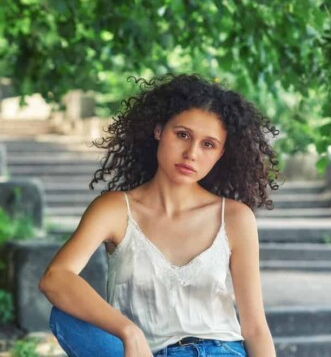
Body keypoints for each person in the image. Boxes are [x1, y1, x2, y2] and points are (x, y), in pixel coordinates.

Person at [39, 74, 279, 357]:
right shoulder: (115, 209)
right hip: (141, 352)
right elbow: (56, 278)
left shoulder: (236, 218)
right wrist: (128, 331)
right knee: (67, 317)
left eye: (208, 144)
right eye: (182, 135)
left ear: (221, 153)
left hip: (220, 351)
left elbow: (254, 328)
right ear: (158, 131)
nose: (191, 153)